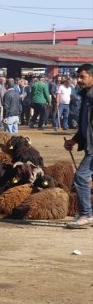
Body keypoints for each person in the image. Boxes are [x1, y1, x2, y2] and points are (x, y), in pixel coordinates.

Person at [64, 64, 93, 229]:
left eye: (82, 77)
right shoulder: (86, 95)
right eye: (78, 77)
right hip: (89, 144)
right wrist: (74, 140)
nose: (79, 80)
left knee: (81, 177)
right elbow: (86, 125)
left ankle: (86, 214)